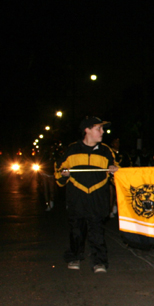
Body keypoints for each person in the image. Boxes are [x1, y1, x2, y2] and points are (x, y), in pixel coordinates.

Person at [56, 117, 118, 273]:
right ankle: (75, 256)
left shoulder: (106, 151)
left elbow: (117, 174)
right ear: (87, 130)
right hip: (77, 198)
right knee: (76, 230)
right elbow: (58, 174)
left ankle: (99, 262)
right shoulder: (72, 150)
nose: (102, 132)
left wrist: (114, 171)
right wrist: (63, 175)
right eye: (99, 128)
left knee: (97, 231)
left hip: (98, 197)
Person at [109, 137, 132, 218]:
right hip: (111, 176)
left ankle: (119, 208)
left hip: (121, 177)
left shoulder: (124, 153)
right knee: (111, 193)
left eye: (118, 143)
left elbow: (128, 164)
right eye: (115, 142)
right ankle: (111, 209)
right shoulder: (109, 152)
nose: (117, 144)